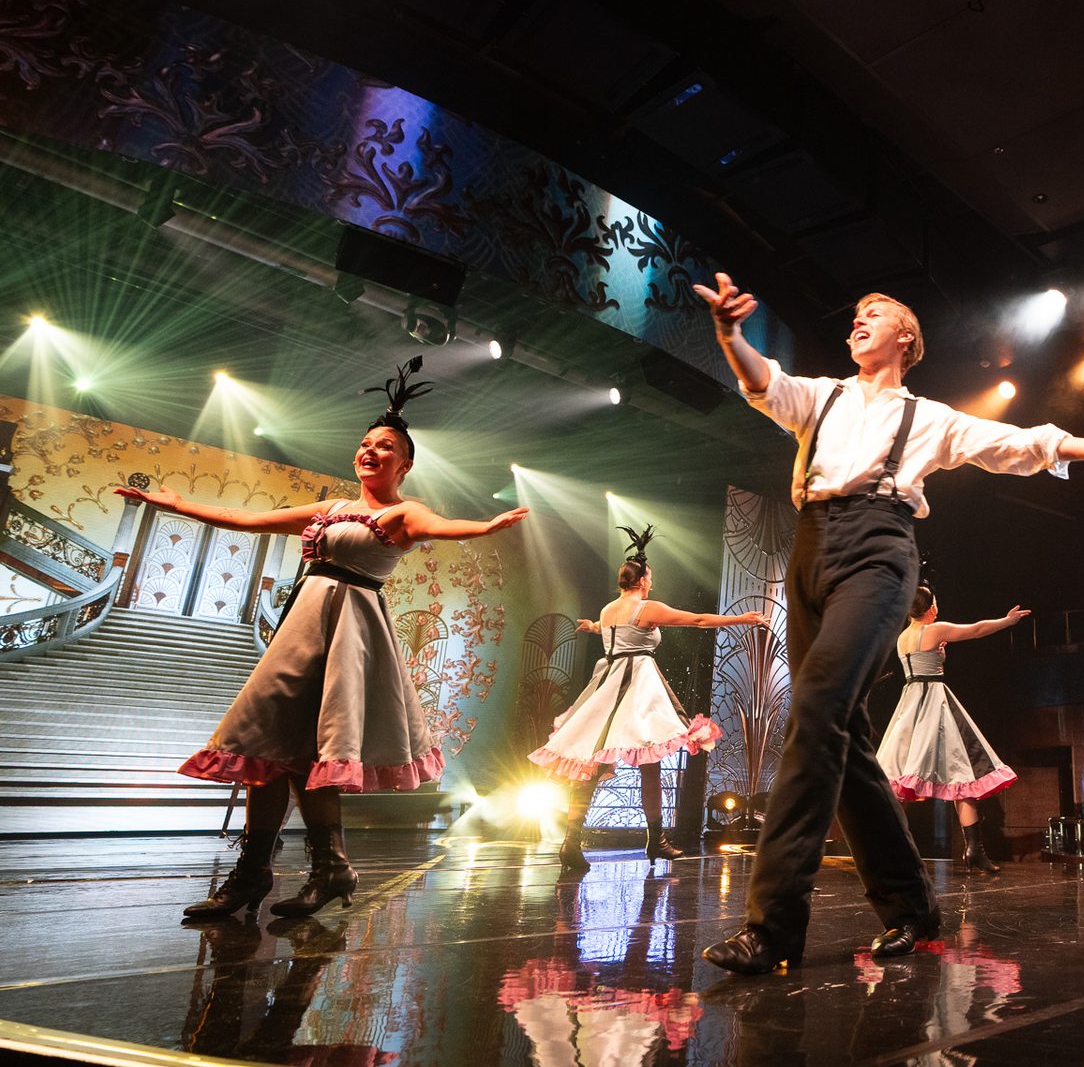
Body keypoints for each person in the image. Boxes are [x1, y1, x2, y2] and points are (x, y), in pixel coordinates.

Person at [692, 272, 1084, 973]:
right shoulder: (821, 395)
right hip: (810, 549)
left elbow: (1017, 443)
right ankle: (912, 908)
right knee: (844, 737)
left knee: (817, 708)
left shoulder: (930, 417)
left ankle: (773, 926)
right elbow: (763, 381)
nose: (858, 319)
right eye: (854, 313)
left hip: (879, 553)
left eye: (874, 312)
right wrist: (731, 334)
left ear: (905, 338)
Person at [115, 357, 527, 921]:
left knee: (311, 754)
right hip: (302, 629)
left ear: (404, 464)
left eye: (385, 446)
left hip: (349, 632)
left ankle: (328, 868)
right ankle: (256, 875)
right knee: (266, 749)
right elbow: (247, 520)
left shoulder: (407, 513)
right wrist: (173, 504)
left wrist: (483, 527)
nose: (370, 451)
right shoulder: (333, 508)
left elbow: (441, 529)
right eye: (365, 443)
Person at [530, 524, 765, 868]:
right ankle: (655, 839)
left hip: (607, 684)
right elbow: (696, 619)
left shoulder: (608, 610)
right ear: (642, 582)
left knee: (591, 762)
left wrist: (593, 627)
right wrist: (741, 618)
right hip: (637, 686)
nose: (650, 583)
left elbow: (610, 630)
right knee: (650, 764)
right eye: (649, 578)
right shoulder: (646, 607)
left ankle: (573, 840)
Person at [876, 584, 1024, 876]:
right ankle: (973, 851)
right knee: (960, 773)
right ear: (930, 608)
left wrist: (939, 658)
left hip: (911, 703)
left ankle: (898, 849)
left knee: (919, 776)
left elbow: (922, 664)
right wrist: (1007, 621)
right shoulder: (934, 629)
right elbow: (977, 630)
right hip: (932, 702)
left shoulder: (904, 636)